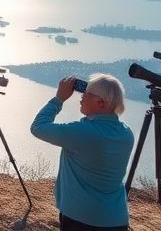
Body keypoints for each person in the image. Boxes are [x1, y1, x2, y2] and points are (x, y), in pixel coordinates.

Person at [30, 74, 135, 231]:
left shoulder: (83, 132)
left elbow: (38, 127)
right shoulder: (126, 133)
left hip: (81, 219)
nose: (81, 96)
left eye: (87, 93)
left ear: (100, 102)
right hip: (116, 220)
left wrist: (58, 99)